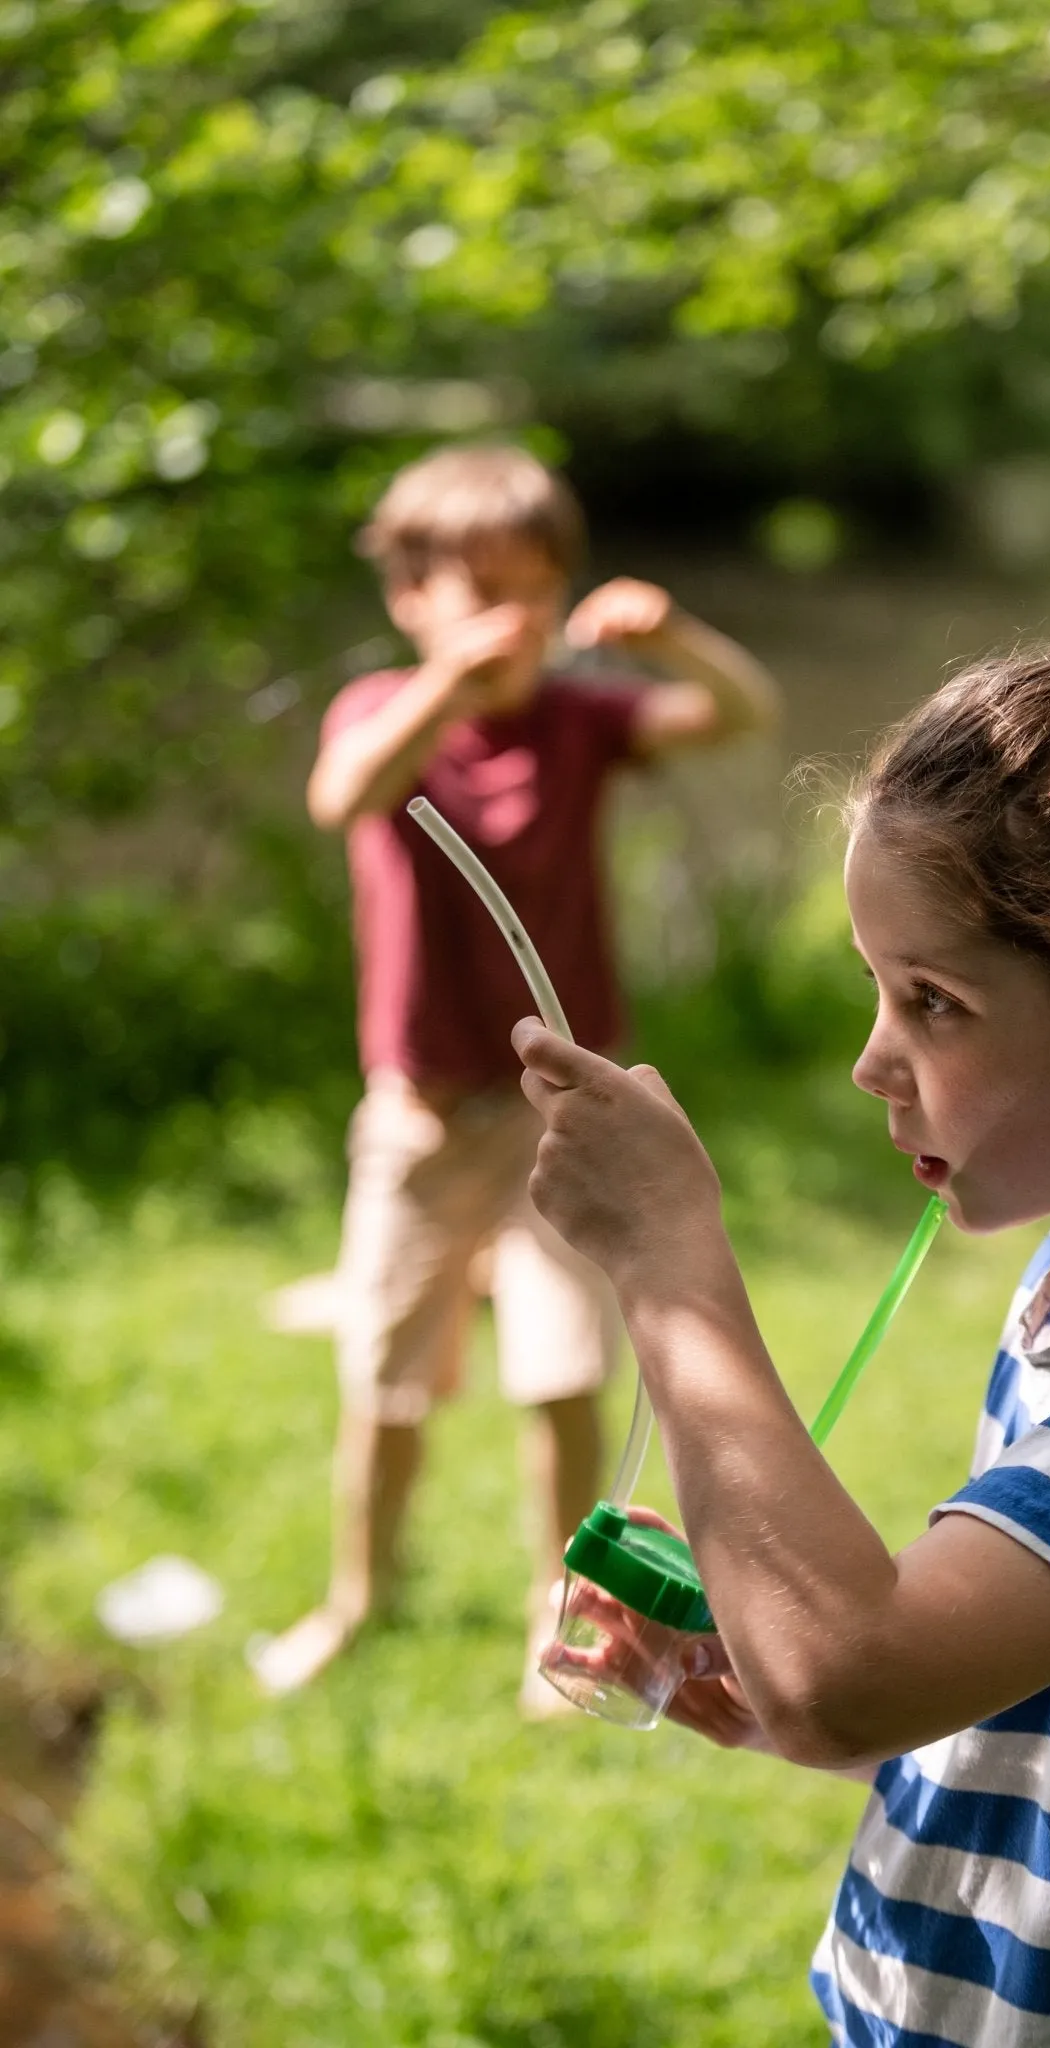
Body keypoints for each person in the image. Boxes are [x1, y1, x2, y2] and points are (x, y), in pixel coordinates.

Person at [513, 610, 1050, 2042]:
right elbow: (1036, 1712)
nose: (870, 1061)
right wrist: (780, 1648)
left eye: (935, 1001)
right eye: (872, 986)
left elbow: (857, 1679)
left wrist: (668, 1261)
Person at [251, 442, 779, 1703]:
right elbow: (344, 795)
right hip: (424, 1118)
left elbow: (741, 714)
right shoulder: (382, 713)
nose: (509, 619)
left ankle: (563, 1617)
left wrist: (675, 636)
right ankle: (357, 1597)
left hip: (562, 1118)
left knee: (563, 1374)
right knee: (385, 1379)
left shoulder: (580, 721)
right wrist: (444, 683)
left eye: (534, 590)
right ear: (408, 596)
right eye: (475, 588)